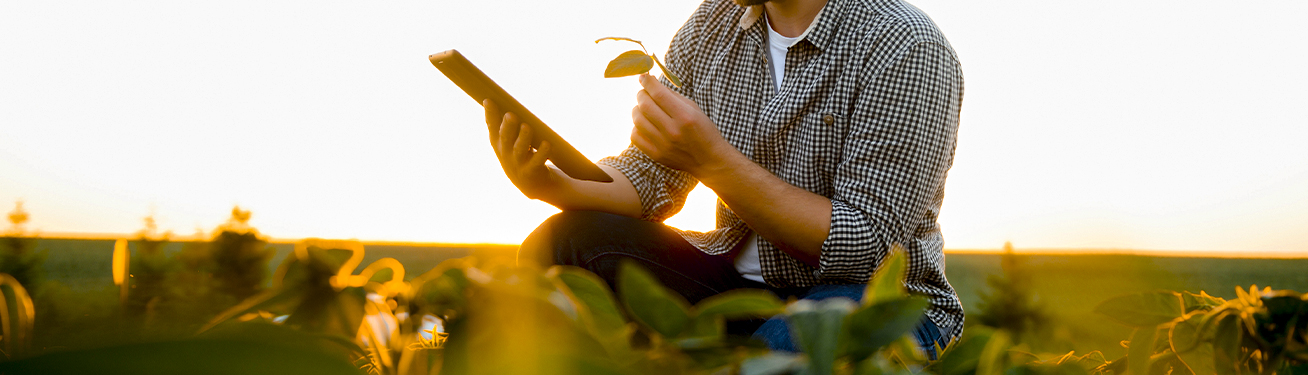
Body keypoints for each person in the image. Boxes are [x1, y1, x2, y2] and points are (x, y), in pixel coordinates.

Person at [483, 0, 964, 356]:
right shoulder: (712, 25)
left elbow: (863, 245)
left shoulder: (905, 46)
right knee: (563, 244)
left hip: (874, 299)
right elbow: (650, 174)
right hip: (735, 282)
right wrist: (555, 186)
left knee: (781, 351)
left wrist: (713, 162)